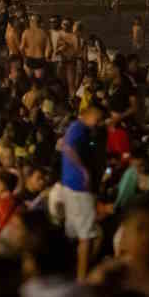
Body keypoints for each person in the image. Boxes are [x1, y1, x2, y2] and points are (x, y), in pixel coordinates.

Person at [52, 100, 103, 279]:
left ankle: (70, 270)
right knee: (87, 237)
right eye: (98, 119)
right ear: (90, 115)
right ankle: (81, 278)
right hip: (78, 188)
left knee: (77, 234)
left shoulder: (80, 129)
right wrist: (84, 170)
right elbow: (67, 147)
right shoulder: (79, 128)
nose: (99, 122)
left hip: (71, 187)